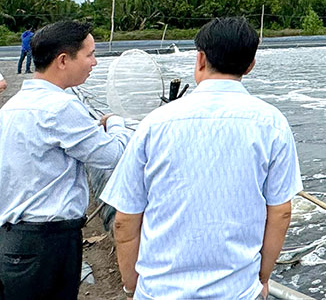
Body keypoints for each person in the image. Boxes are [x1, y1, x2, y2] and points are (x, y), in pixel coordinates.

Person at [102, 16, 302, 299]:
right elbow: (280, 212)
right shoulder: (272, 123)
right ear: (250, 65)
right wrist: (262, 277)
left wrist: (132, 283)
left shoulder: (154, 123)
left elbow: (125, 219)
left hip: (158, 291)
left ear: (200, 59)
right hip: (237, 291)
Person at [0, 20, 129, 300]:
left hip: (16, 238)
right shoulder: (60, 107)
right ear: (62, 60)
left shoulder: (15, 105)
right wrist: (116, 123)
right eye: (89, 54)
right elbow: (112, 156)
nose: (94, 62)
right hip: (47, 241)